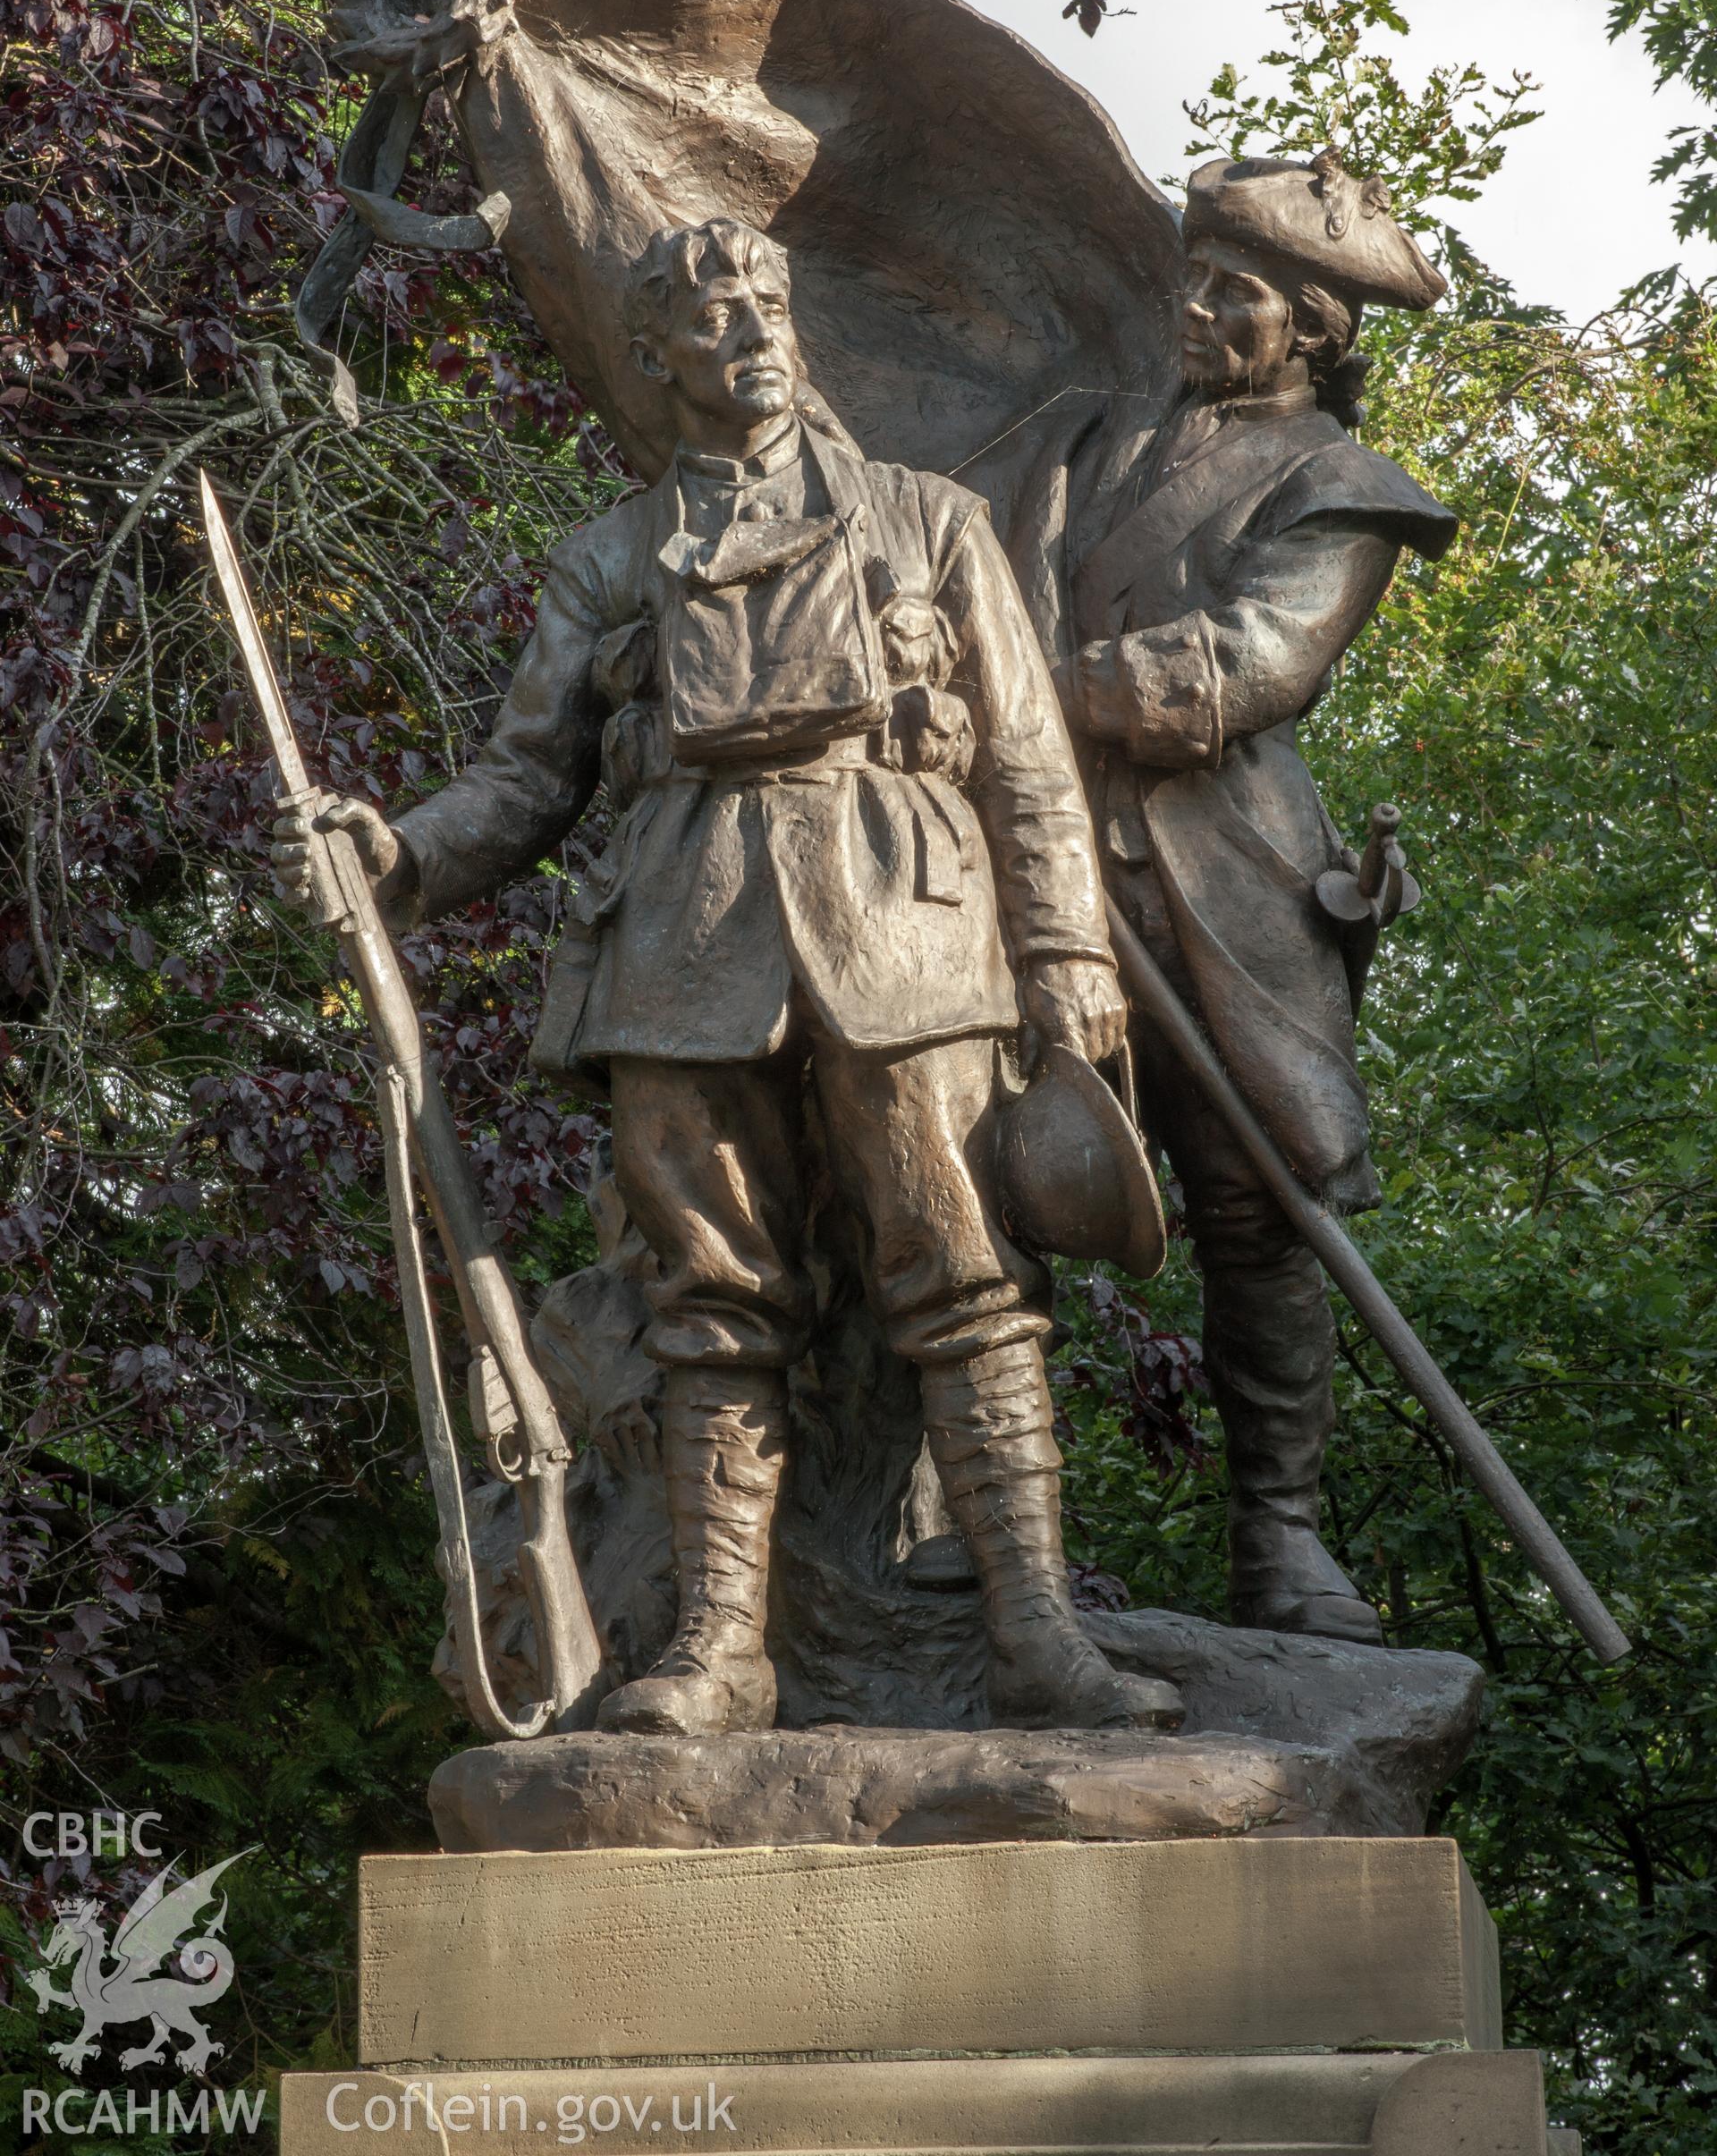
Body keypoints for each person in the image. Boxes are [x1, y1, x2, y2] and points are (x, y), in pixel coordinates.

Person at [274, 216, 1179, 1737]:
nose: (750, 329)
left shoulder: (930, 521)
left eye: (765, 302)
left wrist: (1072, 956)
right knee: (709, 1307)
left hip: (907, 921)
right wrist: (400, 854)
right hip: (687, 941)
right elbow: (522, 778)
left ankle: (1037, 1634)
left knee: (970, 1283)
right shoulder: (609, 557)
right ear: (659, 356)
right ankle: (716, 1654)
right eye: (712, 315)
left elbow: (1030, 760)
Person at [1052, 152, 1459, 1642]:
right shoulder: (1095, 436)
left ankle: (1279, 1540)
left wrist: (1033, 691)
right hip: (1035, 858)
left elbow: (1254, 667)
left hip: (1227, 883)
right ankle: (978, 1529)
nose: (1200, 308)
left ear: (1314, 331)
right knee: (983, 1164)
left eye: (1238, 291)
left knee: (1260, 1208)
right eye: (1196, 276)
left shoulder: (1340, 490)